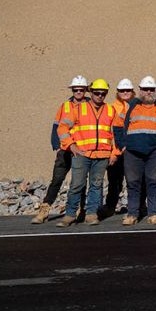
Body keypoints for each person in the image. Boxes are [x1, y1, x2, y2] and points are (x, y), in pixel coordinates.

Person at [55, 79, 118, 227]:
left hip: (102, 156)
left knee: (96, 185)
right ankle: (70, 215)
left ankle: (91, 214)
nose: (100, 96)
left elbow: (117, 134)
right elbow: (62, 128)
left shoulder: (110, 110)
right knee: (77, 185)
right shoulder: (79, 109)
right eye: (96, 93)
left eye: (103, 93)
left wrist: (114, 153)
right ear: (91, 92)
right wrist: (71, 145)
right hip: (81, 154)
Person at [117, 76, 156, 226]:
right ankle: (132, 214)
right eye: (145, 89)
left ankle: (153, 214)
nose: (149, 92)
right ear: (140, 90)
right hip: (132, 151)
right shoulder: (130, 106)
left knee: (153, 181)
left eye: (151, 89)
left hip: (155, 151)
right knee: (133, 183)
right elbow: (117, 126)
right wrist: (122, 146)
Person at [32, 75, 89, 224]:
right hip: (65, 149)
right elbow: (56, 126)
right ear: (72, 90)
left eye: (81, 89)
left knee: (80, 181)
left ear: (85, 90)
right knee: (57, 179)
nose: (78, 92)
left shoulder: (90, 105)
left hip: (82, 148)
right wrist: (57, 146)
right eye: (75, 89)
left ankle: (81, 210)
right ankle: (44, 210)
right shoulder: (65, 106)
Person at [102, 78, 134, 217]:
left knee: (135, 181)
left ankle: (138, 207)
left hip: (133, 151)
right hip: (117, 151)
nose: (125, 93)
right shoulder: (112, 108)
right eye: (122, 90)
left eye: (128, 90)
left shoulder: (136, 106)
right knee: (114, 181)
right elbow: (112, 132)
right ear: (118, 92)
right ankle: (110, 207)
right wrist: (115, 152)